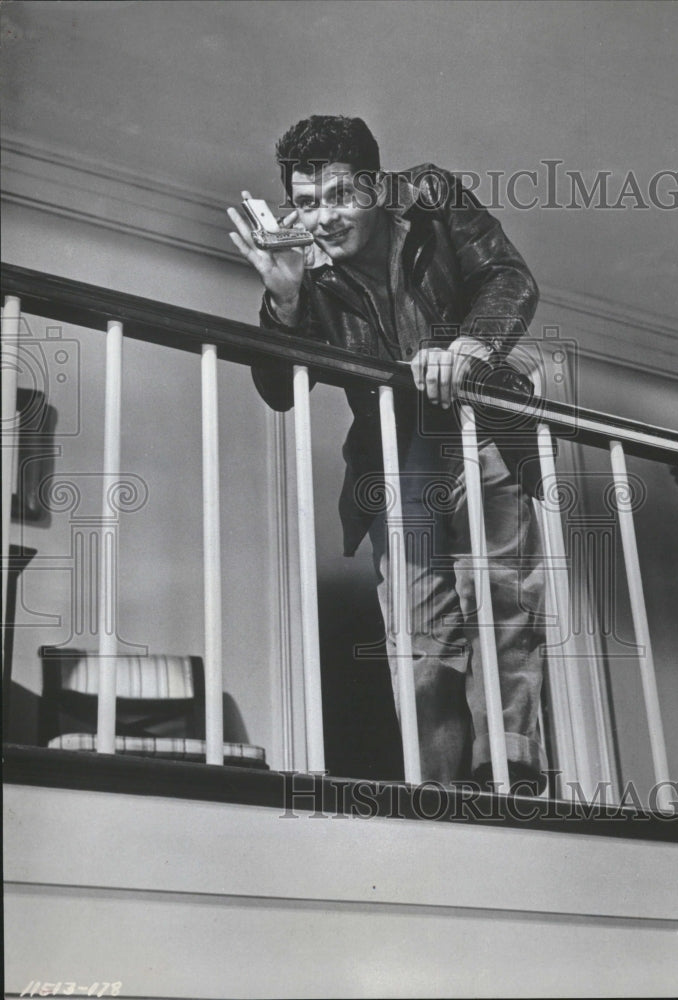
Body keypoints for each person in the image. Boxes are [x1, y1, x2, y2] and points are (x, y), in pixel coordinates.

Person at [227, 115, 547, 792]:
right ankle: (437, 788)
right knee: (419, 627)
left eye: (340, 194)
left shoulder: (429, 197)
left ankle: (509, 772)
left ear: (375, 186)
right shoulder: (305, 273)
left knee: (499, 593)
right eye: (307, 201)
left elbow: (507, 278)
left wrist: (468, 347)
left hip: (478, 425)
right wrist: (283, 299)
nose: (324, 216)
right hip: (394, 457)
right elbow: (279, 392)